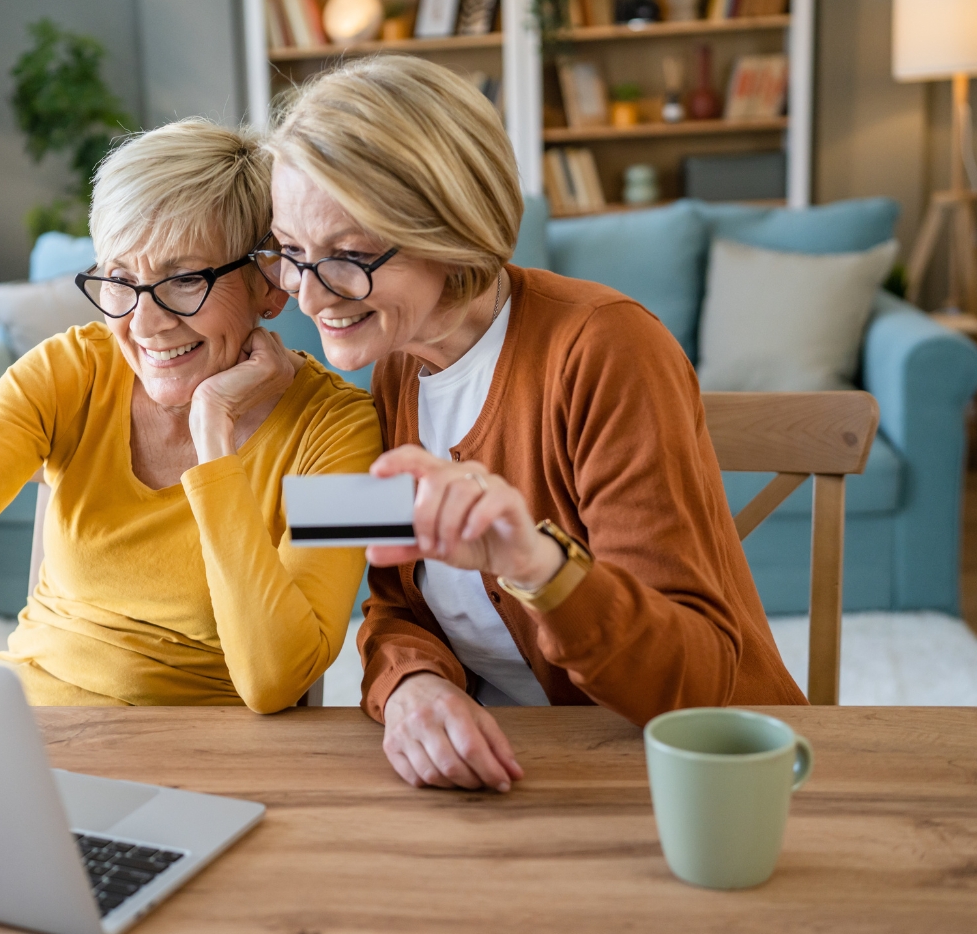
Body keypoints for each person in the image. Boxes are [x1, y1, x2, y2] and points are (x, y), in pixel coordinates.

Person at [260, 56, 806, 790]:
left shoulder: (605, 348)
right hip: (518, 768)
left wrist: (537, 568)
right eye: (291, 252)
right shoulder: (397, 362)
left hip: (694, 779)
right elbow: (395, 602)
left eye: (348, 255)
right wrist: (412, 687)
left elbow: (698, 681)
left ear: (449, 228)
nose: (307, 294)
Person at [0, 118, 381, 713]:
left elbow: (277, 680)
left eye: (184, 280)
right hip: (33, 735)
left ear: (270, 286)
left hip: (209, 760)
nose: (145, 323)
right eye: (121, 281)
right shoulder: (67, 372)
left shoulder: (345, 432)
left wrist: (214, 436)